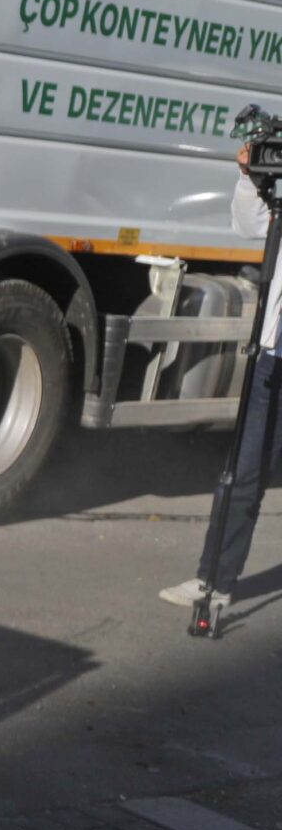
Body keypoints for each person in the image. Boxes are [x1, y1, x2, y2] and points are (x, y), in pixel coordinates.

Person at [165, 143, 282, 617]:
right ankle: (213, 580)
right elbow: (250, 225)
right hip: (273, 354)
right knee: (244, 468)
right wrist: (250, 178)